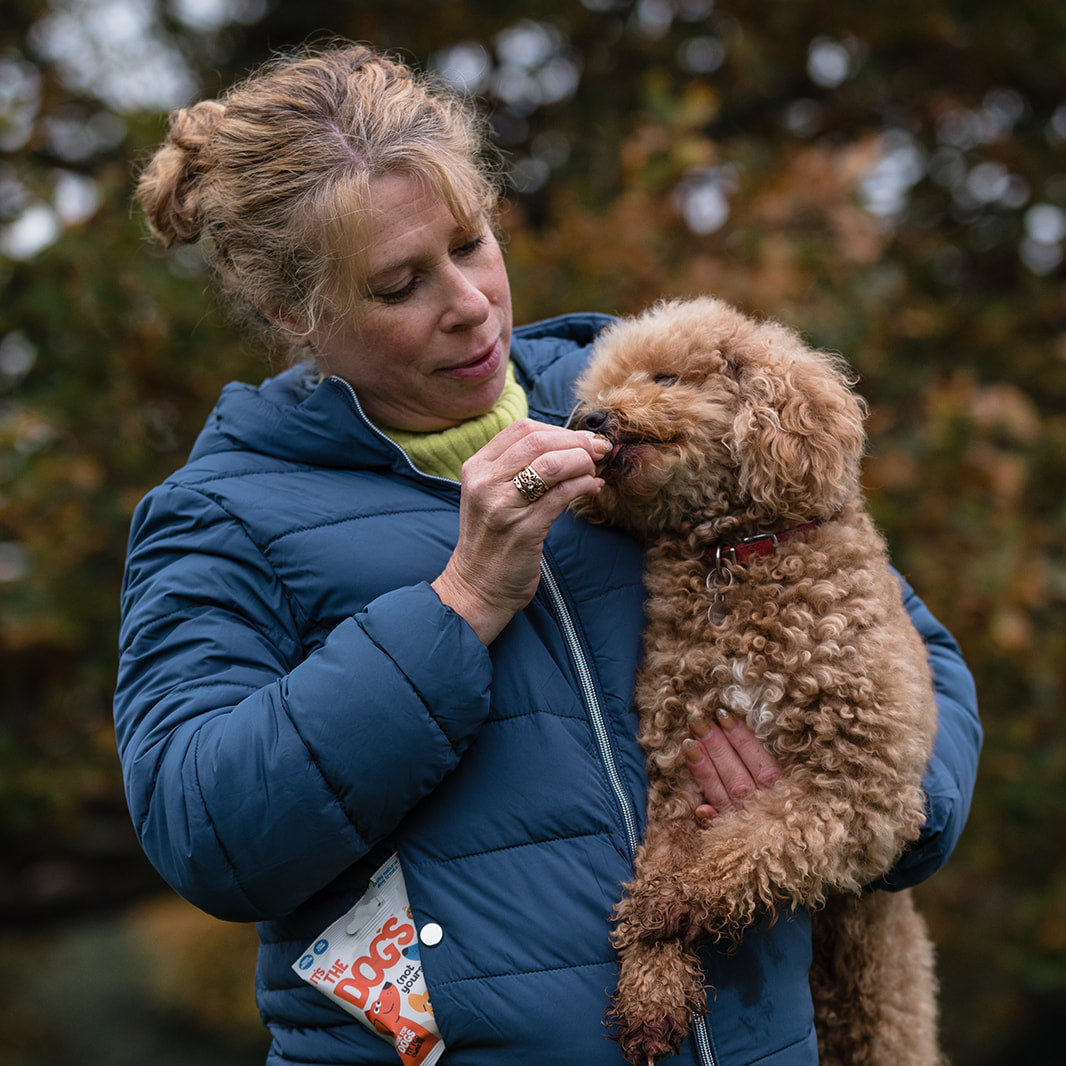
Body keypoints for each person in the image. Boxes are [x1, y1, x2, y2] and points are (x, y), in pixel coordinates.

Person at [115, 41, 981, 1066]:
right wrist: (460, 601)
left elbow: (919, 658)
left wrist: (862, 809)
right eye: (398, 285)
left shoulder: (650, 410)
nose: (470, 302)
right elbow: (205, 832)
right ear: (290, 312)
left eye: (472, 243)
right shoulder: (222, 514)